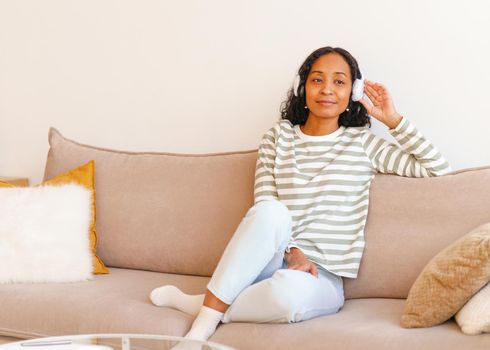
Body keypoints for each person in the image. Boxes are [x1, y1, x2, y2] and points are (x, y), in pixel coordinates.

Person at [150, 46, 452, 343]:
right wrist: (293, 252)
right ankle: (199, 332)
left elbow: (437, 167)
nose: (327, 89)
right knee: (271, 211)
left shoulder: (363, 144)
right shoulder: (277, 138)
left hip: (322, 278)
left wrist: (392, 119)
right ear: (302, 87)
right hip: (267, 262)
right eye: (317, 80)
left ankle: (206, 304)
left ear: (354, 93)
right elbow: (264, 204)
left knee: (287, 297)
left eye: (339, 81)